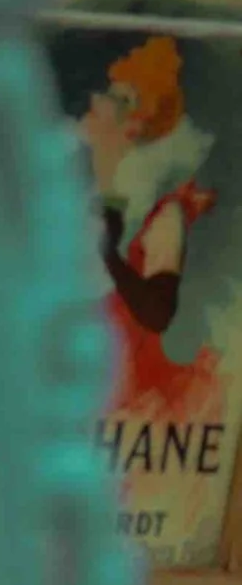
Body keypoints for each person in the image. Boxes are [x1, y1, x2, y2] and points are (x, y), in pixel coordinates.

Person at [78, 34, 221, 431]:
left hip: (128, 403)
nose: (101, 104)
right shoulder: (102, 193)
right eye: (109, 94)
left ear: (139, 124)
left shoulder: (163, 214)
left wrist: (109, 258)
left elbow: (156, 313)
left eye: (122, 100)